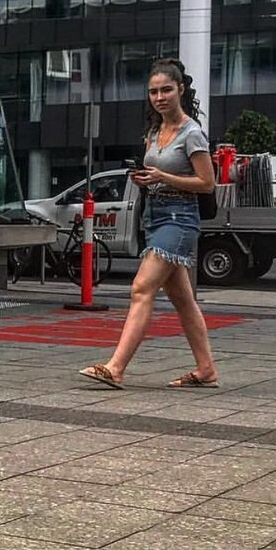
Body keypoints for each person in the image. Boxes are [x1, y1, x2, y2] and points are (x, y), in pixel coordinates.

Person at [79, 58, 218, 390]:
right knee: (183, 299)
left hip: (179, 218)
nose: (160, 97)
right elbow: (160, 175)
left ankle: (115, 367)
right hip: (154, 215)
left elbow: (207, 183)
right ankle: (206, 369)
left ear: (180, 90)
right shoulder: (155, 132)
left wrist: (163, 176)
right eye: (154, 91)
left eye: (166, 90)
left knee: (141, 288)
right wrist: (147, 180)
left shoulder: (192, 133)